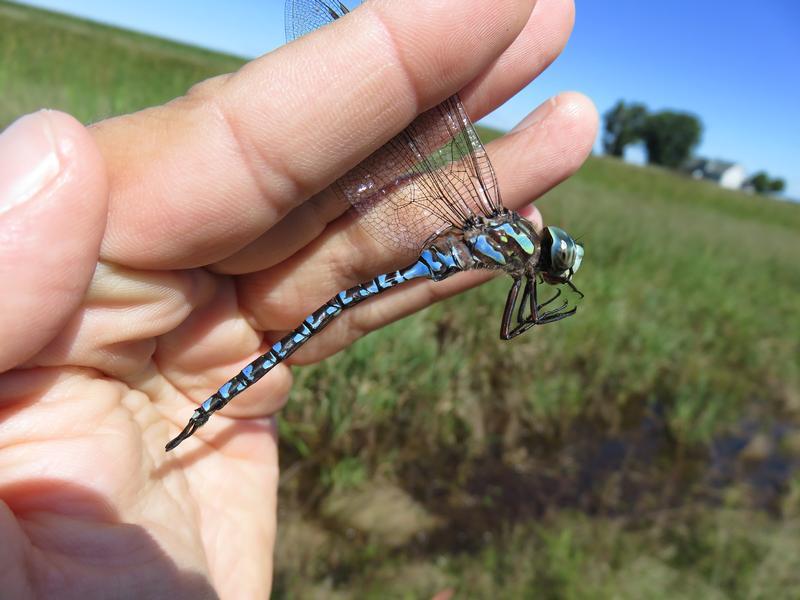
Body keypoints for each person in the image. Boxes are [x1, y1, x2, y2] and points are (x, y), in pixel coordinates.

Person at [0, 0, 596, 596]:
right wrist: (544, 306)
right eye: (554, 265)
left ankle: (199, 417)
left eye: (554, 265)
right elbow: (512, 327)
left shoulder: (510, 245)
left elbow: (511, 323)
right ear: (541, 258)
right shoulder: (518, 255)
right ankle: (206, 412)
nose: (551, 268)